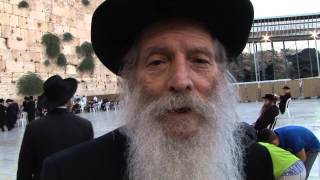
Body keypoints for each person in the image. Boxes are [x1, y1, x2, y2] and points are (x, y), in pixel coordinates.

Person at [40, 0, 267, 180]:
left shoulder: (256, 164)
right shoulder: (69, 173)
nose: (180, 81)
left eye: (199, 60)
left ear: (220, 75)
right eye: (157, 62)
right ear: (131, 79)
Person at [17, 75, 94, 180]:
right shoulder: (86, 126)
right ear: (69, 101)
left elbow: (24, 169)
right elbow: (89, 165)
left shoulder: (33, 128)